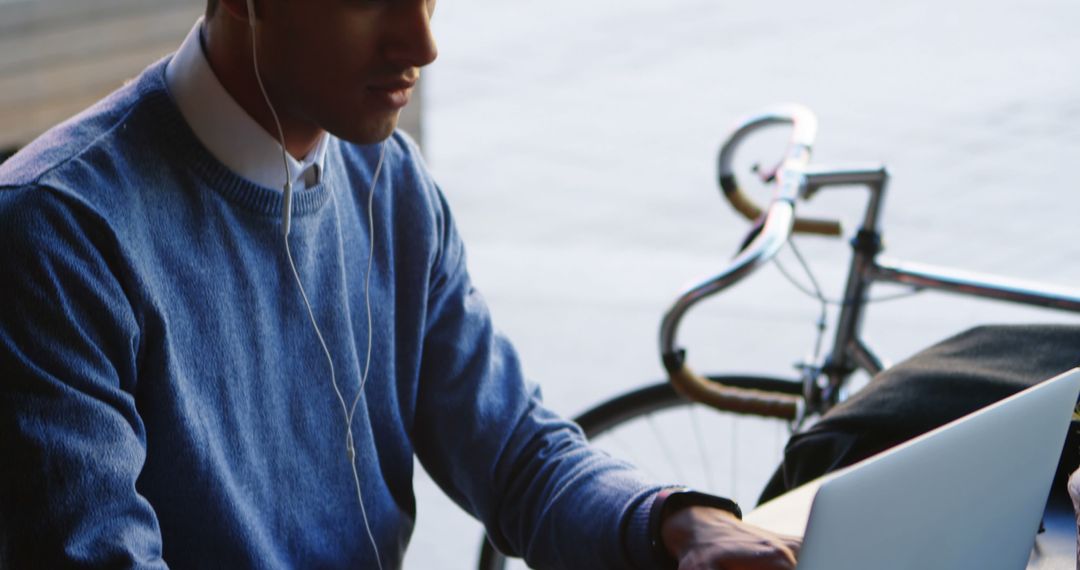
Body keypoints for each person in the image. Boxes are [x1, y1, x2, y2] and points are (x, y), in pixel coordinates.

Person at [0, 0, 800, 568]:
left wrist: (677, 523)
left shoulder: (390, 182)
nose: (421, 40)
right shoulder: (56, 231)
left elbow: (515, 451)